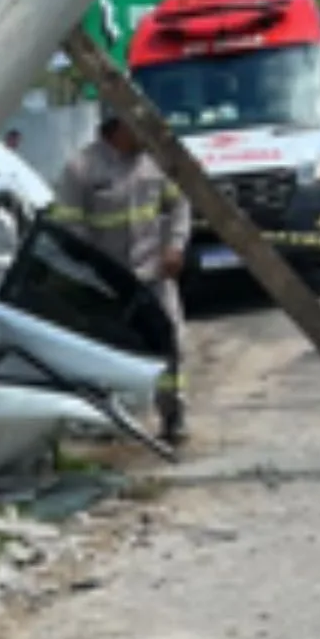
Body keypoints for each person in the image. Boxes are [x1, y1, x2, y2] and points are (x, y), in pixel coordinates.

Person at [58, 110, 192, 444]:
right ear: (119, 126)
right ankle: (110, 422)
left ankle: (173, 417)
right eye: (141, 127)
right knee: (108, 352)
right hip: (108, 281)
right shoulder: (81, 169)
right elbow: (70, 227)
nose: (148, 135)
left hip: (154, 275)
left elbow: (180, 206)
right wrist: (93, 269)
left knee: (170, 343)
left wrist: (174, 246)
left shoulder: (156, 162)